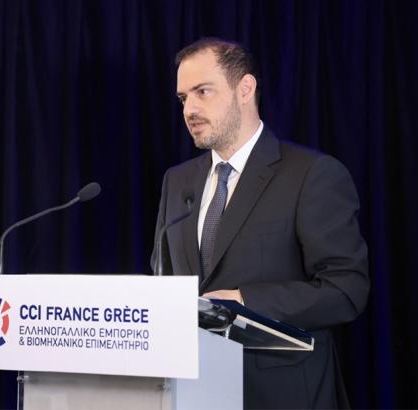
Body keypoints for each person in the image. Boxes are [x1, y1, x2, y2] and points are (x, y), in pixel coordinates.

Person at [151, 38, 369, 409]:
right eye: (183, 98)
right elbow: (164, 279)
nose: (190, 109)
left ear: (245, 89)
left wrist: (244, 301)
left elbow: (346, 289)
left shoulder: (311, 175)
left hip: (281, 394)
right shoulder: (178, 180)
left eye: (203, 91)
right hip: (193, 393)